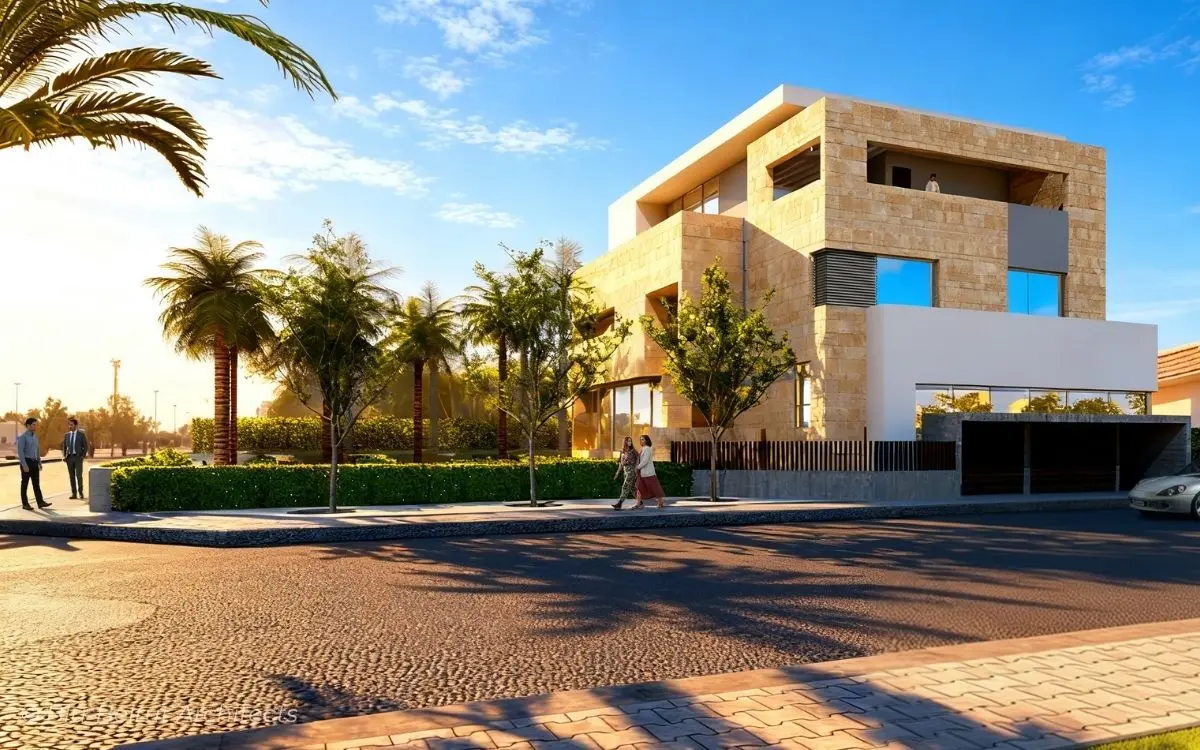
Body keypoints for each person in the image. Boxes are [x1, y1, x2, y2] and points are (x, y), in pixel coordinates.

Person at [17, 418, 50, 510]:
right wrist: (24, 465)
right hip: (27, 462)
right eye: (33, 425)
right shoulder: (23, 437)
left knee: (36, 484)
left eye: (36, 424)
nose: (35, 426)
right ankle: (25, 504)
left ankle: (40, 502)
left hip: (35, 462)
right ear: (28, 426)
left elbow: (37, 450)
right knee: (25, 484)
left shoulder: (34, 436)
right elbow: (20, 452)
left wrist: (39, 462)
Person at [633, 434, 667, 510]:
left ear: (647, 440)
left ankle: (660, 501)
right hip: (642, 473)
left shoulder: (647, 448)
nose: (642, 441)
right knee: (639, 487)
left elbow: (645, 460)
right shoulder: (642, 448)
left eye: (643, 439)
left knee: (654, 488)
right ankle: (638, 503)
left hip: (648, 473)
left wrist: (637, 467)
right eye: (641, 439)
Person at [62, 418, 89, 499]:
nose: (70, 426)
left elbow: (86, 446)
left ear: (76, 425)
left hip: (78, 458)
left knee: (79, 476)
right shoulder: (66, 435)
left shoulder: (81, 434)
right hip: (69, 458)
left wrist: (82, 456)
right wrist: (64, 456)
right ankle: (74, 494)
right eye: (69, 424)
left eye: (71, 425)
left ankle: (80, 493)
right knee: (71, 476)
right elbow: (64, 446)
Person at [611, 437, 639, 510]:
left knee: (625, 486)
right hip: (625, 471)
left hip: (631, 471)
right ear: (625, 442)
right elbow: (621, 463)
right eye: (628, 441)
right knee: (632, 488)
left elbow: (638, 460)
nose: (630, 442)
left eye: (630, 441)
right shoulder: (622, 452)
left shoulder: (634, 451)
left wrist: (636, 470)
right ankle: (640, 502)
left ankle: (619, 503)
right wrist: (617, 473)